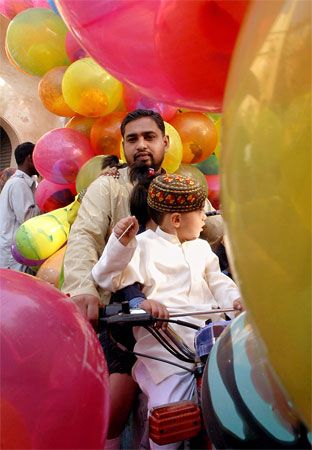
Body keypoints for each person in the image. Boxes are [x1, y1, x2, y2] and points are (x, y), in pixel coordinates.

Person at [61, 109, 223, 446]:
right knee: (112, 414)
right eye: (132, 139)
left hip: (184, 321)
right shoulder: (108, 187)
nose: (141, 145)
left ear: (165, 142)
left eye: (149, 137)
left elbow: (211, 230)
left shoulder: (180, 187)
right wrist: (81, 288)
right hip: (126, 318)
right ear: (123, 147)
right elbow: (85, 236)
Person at [92, 173, 243, 450]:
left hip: (214, 344)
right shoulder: (143, 245)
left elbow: (220, 283)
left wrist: (237, 300)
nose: (205, 219)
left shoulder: (202, 249)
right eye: (199, 212)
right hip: (166, 353)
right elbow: (106, 277)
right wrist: (119, 244)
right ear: (176, 220)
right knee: (172, 416)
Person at [0, 142, 40, 271]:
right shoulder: (18, 184)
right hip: (14, 257)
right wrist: (47, 204)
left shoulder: (23, 183)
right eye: (37, 157)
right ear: (29, 158)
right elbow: (28, 219)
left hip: (14, 253)